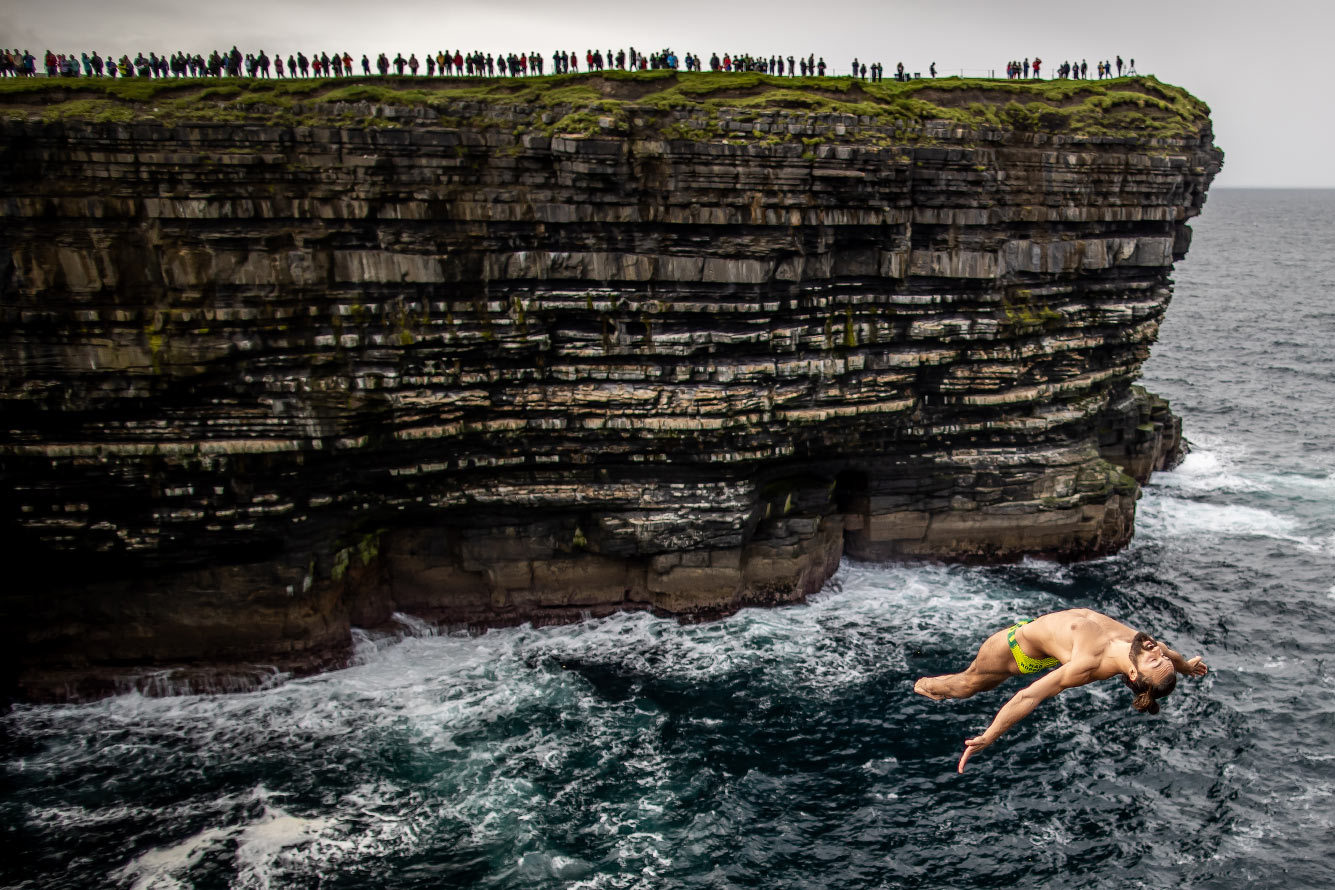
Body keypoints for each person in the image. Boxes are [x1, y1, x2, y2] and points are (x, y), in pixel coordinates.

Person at [914, 609, 1209, 772]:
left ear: (1133, 672)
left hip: (1015, 650)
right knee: (972, 684)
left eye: (1153, 660)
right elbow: (1172, 656)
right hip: (1046, 639)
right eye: (1158, 655)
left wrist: (989, 736)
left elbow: (1029, 696)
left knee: (966, 685)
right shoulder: (1144, 646)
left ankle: (923, 686)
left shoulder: (1088, 664)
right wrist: (1186, 668)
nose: (1155, 649)